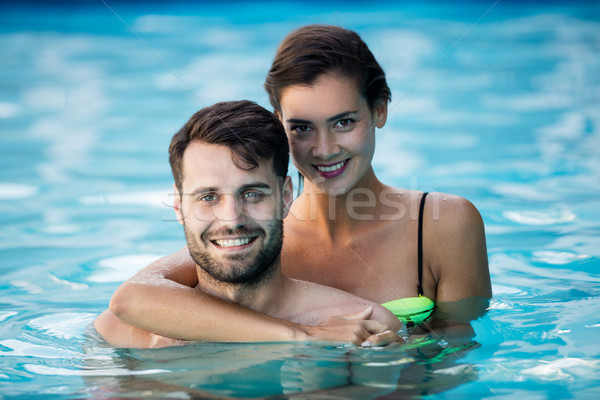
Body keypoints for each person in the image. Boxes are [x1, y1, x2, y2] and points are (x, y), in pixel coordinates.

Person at [108, 24, 492, 343]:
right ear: (279, 124)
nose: (324, 149)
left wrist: (396, 360)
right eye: (302, 128)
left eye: (344, 122)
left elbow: (463, 347)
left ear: (379, 111)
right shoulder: (256, 232)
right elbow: (136, 297)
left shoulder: (446, 224)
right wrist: (302, 335)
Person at [94, 100, 401, 348]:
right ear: (178, 205)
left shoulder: (361, 326)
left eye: (252, 194)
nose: (232, 218)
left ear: (285, 197)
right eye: (208, 197)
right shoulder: (125, 331)